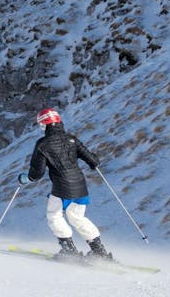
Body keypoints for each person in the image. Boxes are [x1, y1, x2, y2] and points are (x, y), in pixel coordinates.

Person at [17, 108, 112, 261]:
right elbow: (93, 160)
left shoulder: (43, 144)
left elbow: (37, 174)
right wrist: (93, 164)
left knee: (54, 216)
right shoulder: (71, 139)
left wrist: (25, 178)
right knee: (77, 218)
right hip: (80, 185)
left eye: (41, 125)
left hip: (62, 187)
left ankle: (69, 250)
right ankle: (99, 252)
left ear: (45, 125)